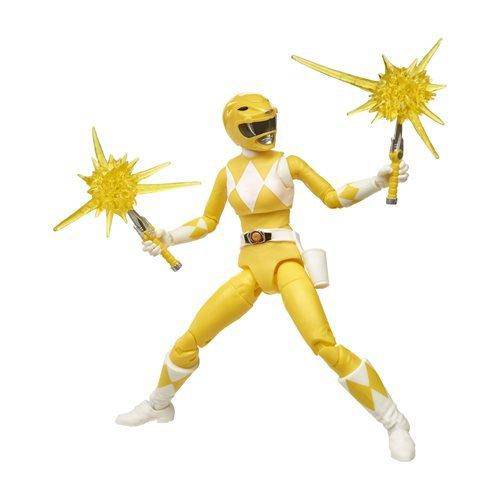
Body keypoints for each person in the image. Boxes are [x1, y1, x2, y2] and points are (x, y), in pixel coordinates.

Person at [116, 93, 415, 461]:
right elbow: (207, 222)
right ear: (235, 130)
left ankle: (395, 422)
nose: (267, 132)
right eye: (257, 126)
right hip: (251, 269)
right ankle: (158, 405)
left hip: (286, 263)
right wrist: (168, 236)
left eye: (270, 123)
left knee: (324, 345)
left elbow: (334, 197)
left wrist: (377, 180)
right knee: (189, 340)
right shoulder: (227, 173)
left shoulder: (288, 163)